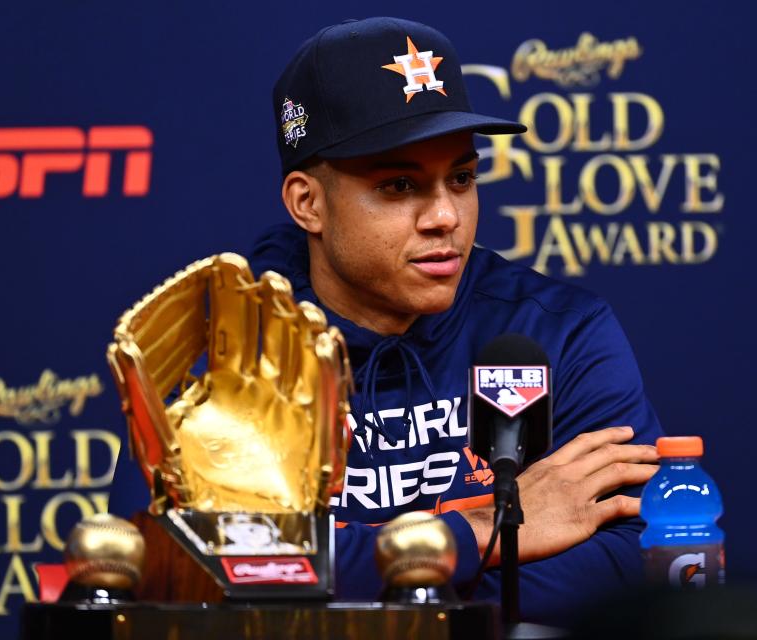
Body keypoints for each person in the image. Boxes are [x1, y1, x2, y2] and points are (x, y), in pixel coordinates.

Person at [246, 17, 664, 626]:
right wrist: (479, 532)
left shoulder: (558, 330)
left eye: (462, 179)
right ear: (308, 202)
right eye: (398, 185)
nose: (445, 216)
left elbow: (634, 559)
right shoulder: (228, 352)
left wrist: (360, 595)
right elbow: (202, 562)